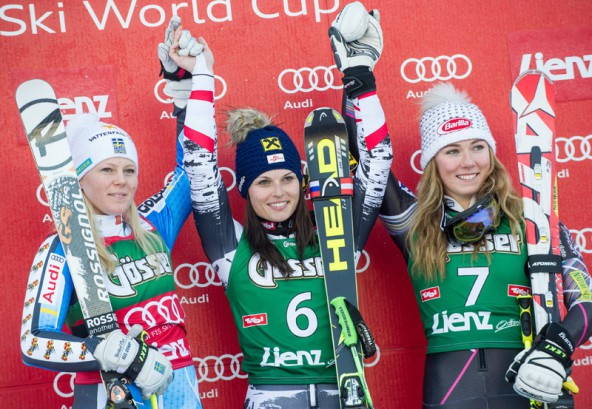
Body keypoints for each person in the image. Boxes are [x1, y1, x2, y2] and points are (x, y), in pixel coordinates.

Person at [165, 7, 391, 408]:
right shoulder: (230, 247)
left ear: (302, 181)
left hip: (344, 391)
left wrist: (362, 78)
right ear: (245, 190)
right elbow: (198, 161)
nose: (278, 192)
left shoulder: (337, 235)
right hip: (272, 396)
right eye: (263, 182)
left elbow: (378, 162)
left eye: (287, 178)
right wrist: (201, 76)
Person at [366, 69, 592, 407]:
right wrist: (360, 79)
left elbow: (586, 297)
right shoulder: (415, 223)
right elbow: (373, 157)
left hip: (529, 378)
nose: (468, 162)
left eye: (477, 147)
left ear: (492, 154)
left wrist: (557, 345)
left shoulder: (532, 219)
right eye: (452, 151)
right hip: (450, 387)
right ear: (432, 162)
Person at [19, 20, 204, 409]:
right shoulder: (61, 248)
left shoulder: (153, 225)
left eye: (128, 170)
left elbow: (193, 170)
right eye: (106, 170)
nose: (121, 182)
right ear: (80, 180)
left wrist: (185, 97)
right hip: (113, 391)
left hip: (180, 381)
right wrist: (113, 352)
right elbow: (35, 341)